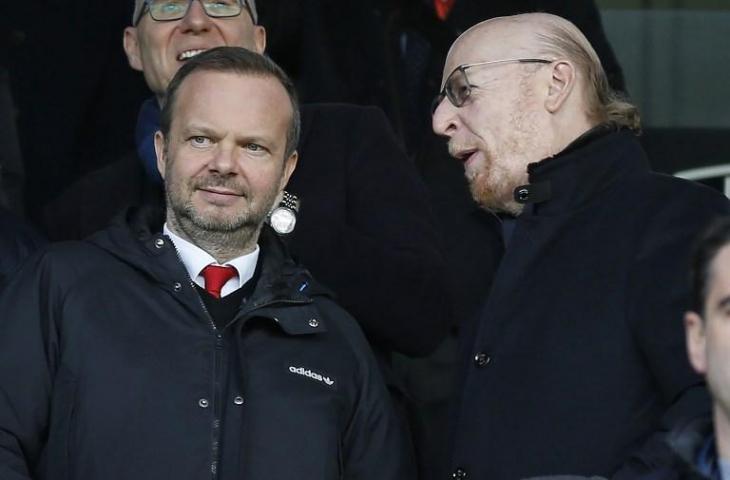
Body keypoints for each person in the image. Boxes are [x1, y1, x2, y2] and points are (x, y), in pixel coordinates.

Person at [0, 46, 414, 479]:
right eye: (202, 139)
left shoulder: (335, 339)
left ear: (286, 173)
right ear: (162, 152)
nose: (224, 164)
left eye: (253, 146)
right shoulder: (62, 287)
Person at [43, 0, 448, 366]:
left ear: (259, 40)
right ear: (133, 46)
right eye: (167, 7)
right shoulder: (85, 205)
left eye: (221, 4)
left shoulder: (347, 138)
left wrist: (274, 206)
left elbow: (421, 320)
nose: (196, 20)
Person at [431, 12, 730, 479]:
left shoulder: (677, 221)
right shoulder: (487, 244)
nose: (440, 120)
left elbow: (714, 405)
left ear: (555, 83)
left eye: (462, 90)